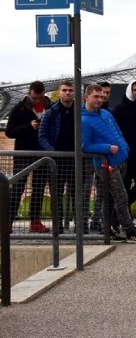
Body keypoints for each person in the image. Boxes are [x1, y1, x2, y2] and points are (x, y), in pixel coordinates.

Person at [80, 84, 136, 243]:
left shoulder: (106, 113)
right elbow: (85, 146)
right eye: (96, 96)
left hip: (121, 160)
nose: (99, 99)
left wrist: (124, 146)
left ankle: (107, 228)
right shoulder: (84, 121)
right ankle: (130, 230)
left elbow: (117, 131)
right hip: (106, 165)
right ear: (86, 97)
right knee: (122, 197)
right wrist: (108, 148)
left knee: (111, 198)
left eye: (101, 96)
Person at [38, 80, 89, 233]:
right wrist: (53, 151)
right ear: (59, 92)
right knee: (56, 194)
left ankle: (80, 226)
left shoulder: (81, 111)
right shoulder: (51, 112)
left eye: (70, 90)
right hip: (56, 161)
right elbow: (42, 136)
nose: (67, 93)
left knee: (77, 195)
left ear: (75, 93)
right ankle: (57, 225)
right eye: (65, 90)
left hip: (76, 160)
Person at [5, 80, 50, 233]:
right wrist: (29, 127)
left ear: (44, 94)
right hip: (23, 153)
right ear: (28, 94)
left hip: (42, 154)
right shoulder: (19, 109)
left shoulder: (50, 107)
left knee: (39, 188)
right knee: (18, 188)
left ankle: (35, 221)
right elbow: (9, 132)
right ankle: (7, 222)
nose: (37, 101)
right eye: (34, 98)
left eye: (40, 98)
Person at [89, 81, 113, 234]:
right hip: (88, 157)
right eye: (101, 93)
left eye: (107, 93)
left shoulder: (109, 112)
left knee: (102, 192)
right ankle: (84, 222)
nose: (104, 96)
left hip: (102, 158)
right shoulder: (86, 112)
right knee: (84, 191)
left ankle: (98, 221)